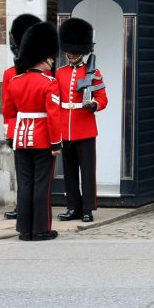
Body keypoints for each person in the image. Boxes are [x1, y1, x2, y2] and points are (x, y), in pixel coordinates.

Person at [3, 21, 64, 241]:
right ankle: (40, 230)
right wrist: (56, 143)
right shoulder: (49, 82)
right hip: (42, 139)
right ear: (44, 57)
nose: (53, 61)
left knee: (25, 184)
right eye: (51, 57)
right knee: (41, 185)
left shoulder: (15, 81)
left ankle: (24, 230)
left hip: (20, 139)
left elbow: (8, 112)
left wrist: (11, 137)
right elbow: (53, 116)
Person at [55, 17, 108, 224]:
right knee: (69, 172)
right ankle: (73, 207)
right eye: (69, 50)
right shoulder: (60, 73)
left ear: (82, 51)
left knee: (87, 171)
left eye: (75, 50)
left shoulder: (93, 73)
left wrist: (93, 105)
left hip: (85, 127)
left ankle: (87, 208)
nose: (71, 54)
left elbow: (103, 99)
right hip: (65, 127)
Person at [2, 13, 41, 221]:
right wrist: (9, 132)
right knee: (23, 174)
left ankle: (36, 209)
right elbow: (8, 109)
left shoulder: (45, 73)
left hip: (39, 129)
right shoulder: (10, 73)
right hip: (19, 130)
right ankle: (22, 207)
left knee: (38, 175)